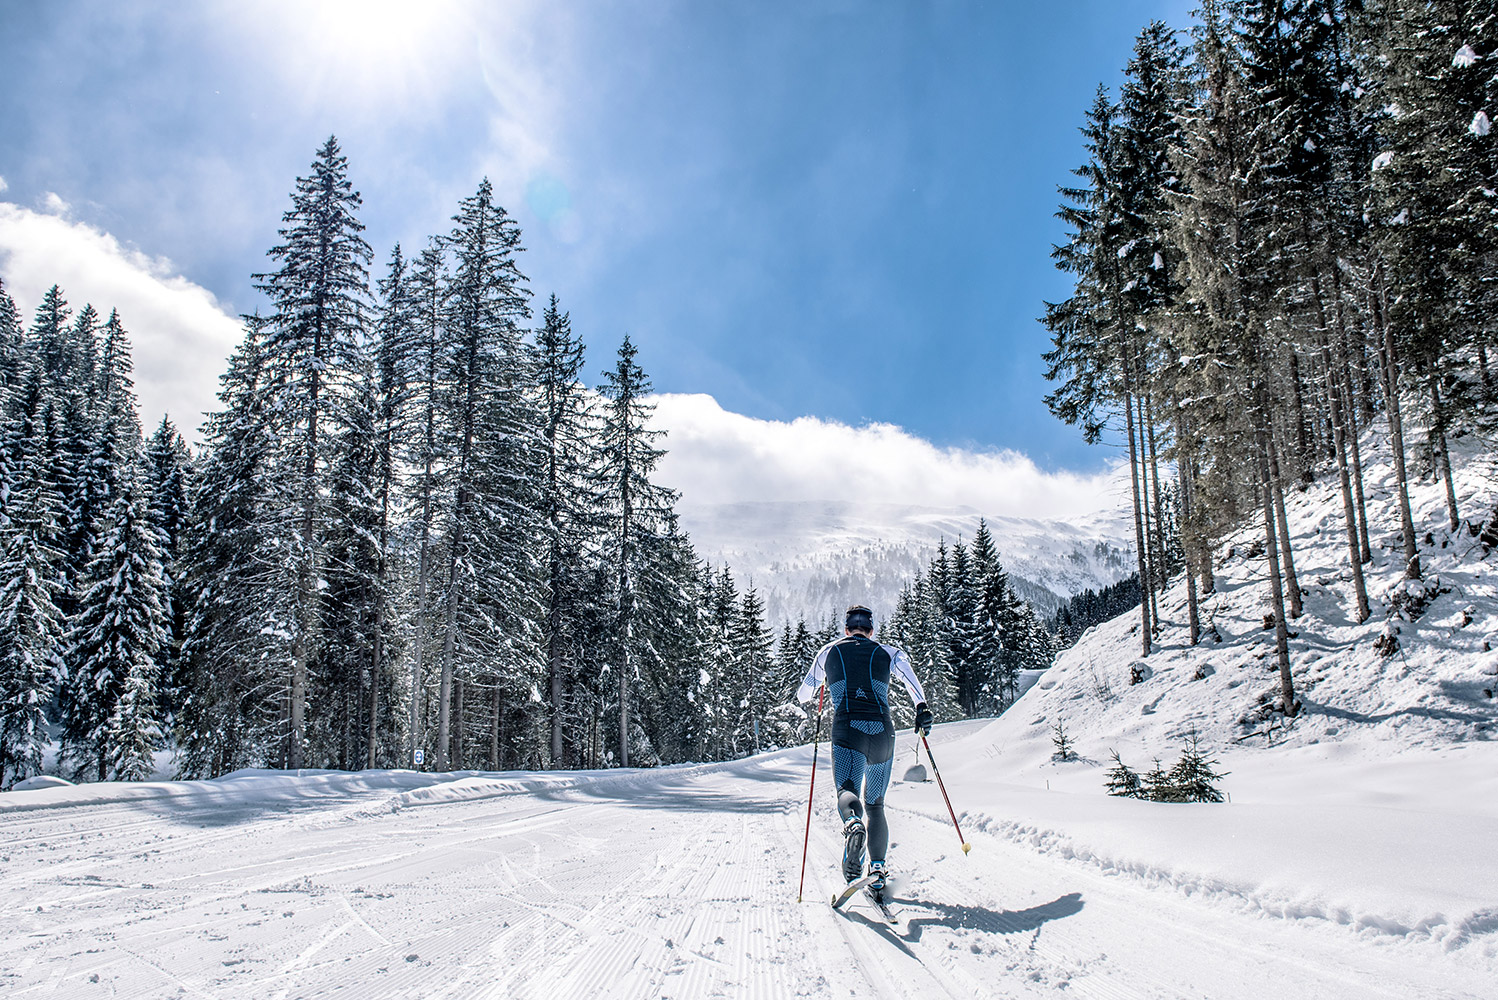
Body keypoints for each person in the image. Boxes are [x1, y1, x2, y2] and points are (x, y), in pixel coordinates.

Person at [798, 604, 933, 901]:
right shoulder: (889, 652)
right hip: (883, 733)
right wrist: (921, 709)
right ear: (871, 630)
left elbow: (803, 694)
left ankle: (852, 824)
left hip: (848, 730)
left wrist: (821, 683)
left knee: (847, 790)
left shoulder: (828, 652)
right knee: (876, 805)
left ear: (847, 629)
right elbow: (912, 684)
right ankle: (878, 871)